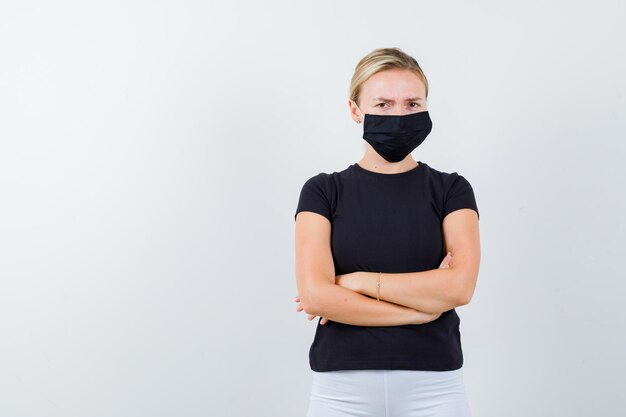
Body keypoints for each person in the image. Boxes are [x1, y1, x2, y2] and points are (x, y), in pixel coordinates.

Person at [293, 47, 480, 417]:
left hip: (435, 387)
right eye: (383, 104)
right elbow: (315, 297)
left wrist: (355, 282)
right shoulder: (322, 191)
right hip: (341, 390)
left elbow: (459, 288)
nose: (399, 115)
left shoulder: (451, 190)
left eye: (412, 104)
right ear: (355, 110)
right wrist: (421, 311)